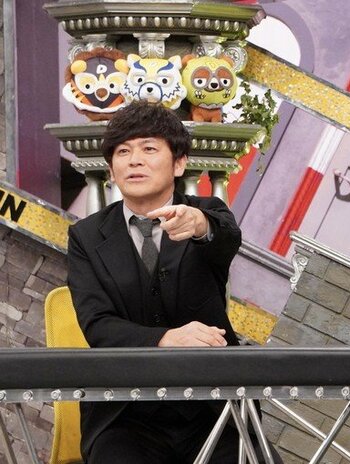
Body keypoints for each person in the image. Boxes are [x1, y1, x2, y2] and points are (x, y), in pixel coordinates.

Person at [67, 101, 280, 463]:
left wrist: (200, 224)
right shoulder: (85, 236)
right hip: (126, 414)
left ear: (179, 163)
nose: (134, 161)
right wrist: (165, 338)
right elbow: (97, 325)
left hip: (213, 409)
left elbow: (225, 237)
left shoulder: (208, 213)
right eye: (123, 152)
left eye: (149, 148)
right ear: (111, 169)